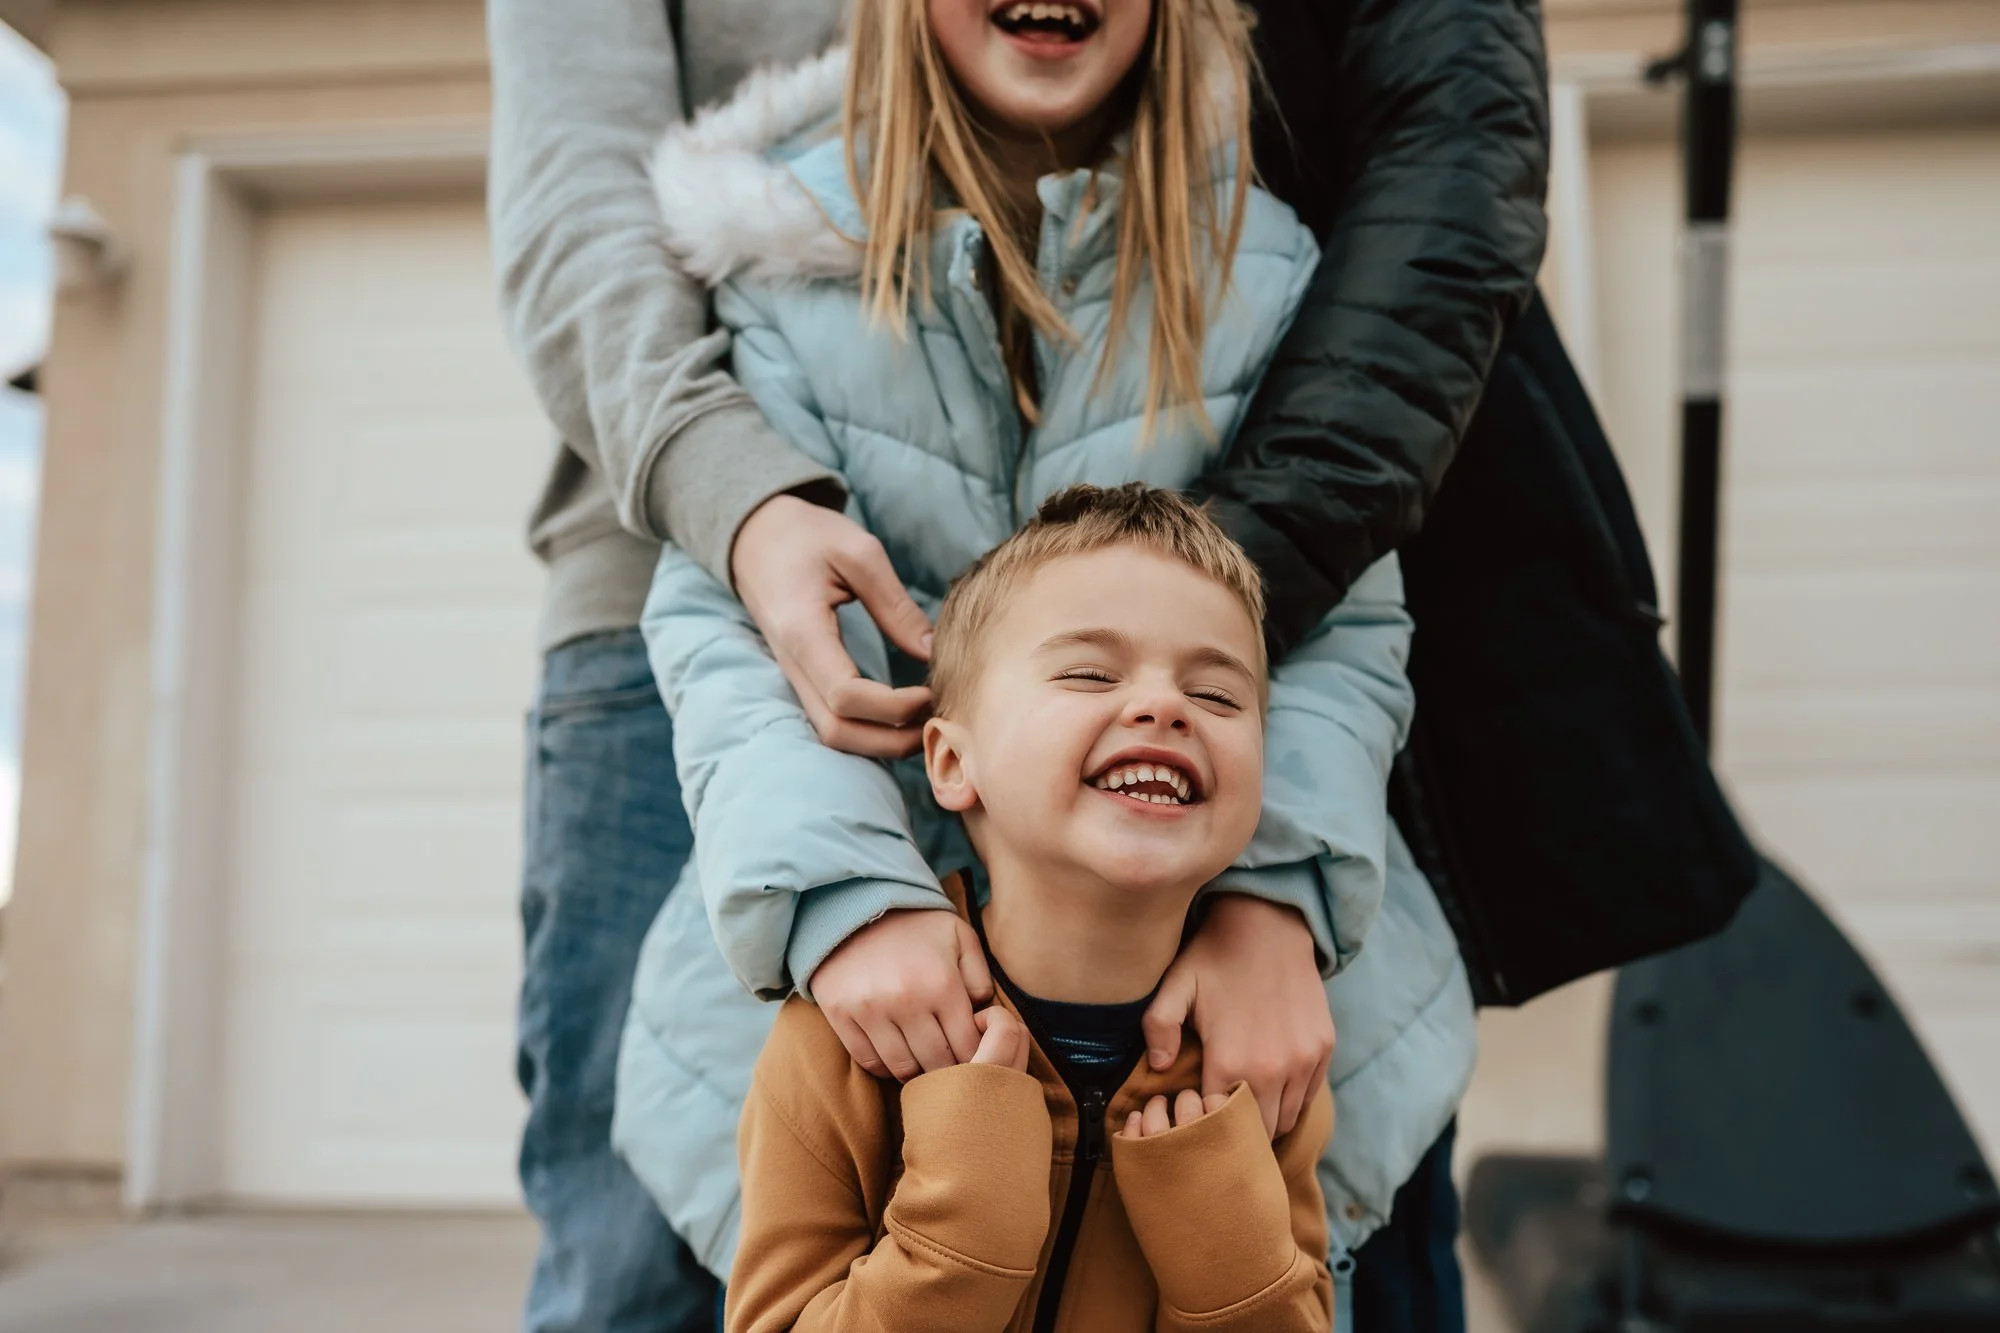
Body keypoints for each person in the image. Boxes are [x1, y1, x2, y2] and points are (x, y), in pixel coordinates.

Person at [487, 0, 1550, 1328]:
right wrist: (842, 900)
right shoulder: (778, 268)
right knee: (668, 1275)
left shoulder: (1263, 268)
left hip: (1204, 963)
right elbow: (729, 635)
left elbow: (1339, 622)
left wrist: (1278, 891)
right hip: (859, 913)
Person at [726, 485, 1339, 1333]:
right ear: (949, 761)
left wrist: (1229, 1257)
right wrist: (960, 1238)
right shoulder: (842, 1039)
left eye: (1219, 695)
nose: (1164, 706)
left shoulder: (1260, 1060)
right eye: (1091, 672)